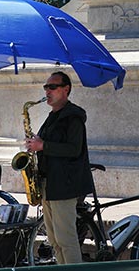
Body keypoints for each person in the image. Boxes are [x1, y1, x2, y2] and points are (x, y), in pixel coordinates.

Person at [25, 71, 94, 265]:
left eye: (52, 87)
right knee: (54, 240)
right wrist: (35, 144)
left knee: (66, 240)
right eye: (46, 87)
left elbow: (74, 149)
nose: (47, 91)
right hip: (49, 183)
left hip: (64, 184)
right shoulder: (53, 116)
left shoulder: (73, 117)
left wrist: (43, 146)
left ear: (66, 89)